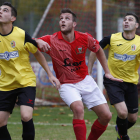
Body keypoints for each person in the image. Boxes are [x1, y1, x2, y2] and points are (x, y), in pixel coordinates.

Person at [35, 8, 123, 140]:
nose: (63, 21)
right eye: (61, 19)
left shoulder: (84, 38)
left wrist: (107, 72)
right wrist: (37, 41)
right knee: (78, 108)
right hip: (66, 84)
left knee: (106, 116)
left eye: (67, 18)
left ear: (74, 24)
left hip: (85, 80)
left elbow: (98, 49)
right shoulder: (51, 40)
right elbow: (30, 44)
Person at [0, 2, 60, 140]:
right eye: (0, 10)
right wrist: (37, 40)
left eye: (5, 10)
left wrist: (50, 74)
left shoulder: (21, 35)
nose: (1, 12)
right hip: (5, 84)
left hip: (25, 82)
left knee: (26, 116)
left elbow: (37, 52)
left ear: (12, 18)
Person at [88, 12, 140, 140]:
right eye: (125, 19)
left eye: (130, 20)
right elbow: (95, 49)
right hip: (113, 81)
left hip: (131, 82)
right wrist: (88, 71)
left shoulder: (139, 42)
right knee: (122, 112)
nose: (126, 21)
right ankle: (123, 136)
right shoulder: (112, 38)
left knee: (132, 118)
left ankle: (119, 129)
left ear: (136, 25)